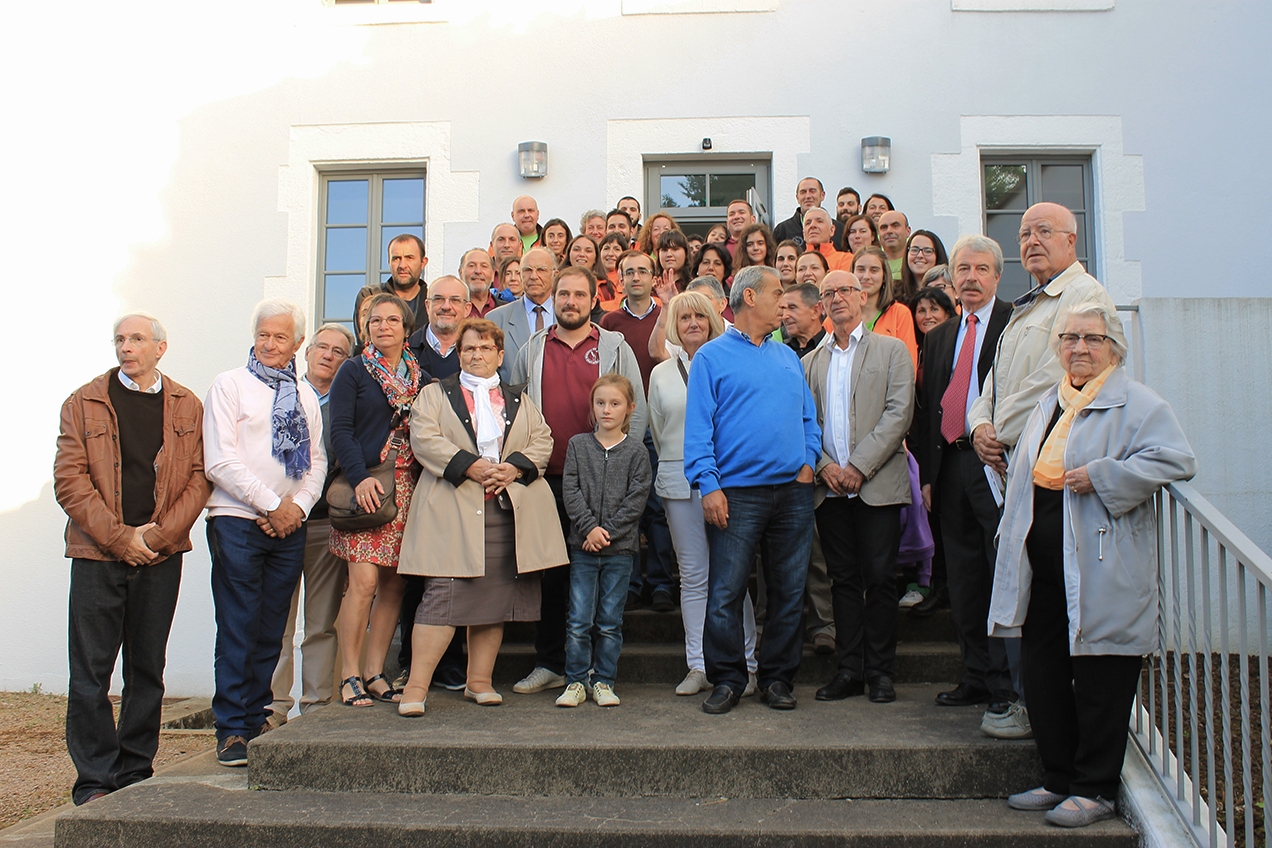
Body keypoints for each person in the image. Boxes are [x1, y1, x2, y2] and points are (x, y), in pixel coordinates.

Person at [993, 302, 1196, 827]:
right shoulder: (1051, 401)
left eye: (1092, 339)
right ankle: (1059, 777)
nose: (1079, 348)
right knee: (1045, 674)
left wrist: (1104, 475)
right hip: (1046, 566)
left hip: (1102, 560)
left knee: (1103, 672)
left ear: (1114, 349)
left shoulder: (1138, 404)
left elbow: (1176, 459)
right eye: (1070, 338)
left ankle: (1096, 787)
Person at [55, 313, 211, 804]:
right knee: (90, 675)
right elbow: (70, 480)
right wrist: (122, 539)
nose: (127, 347)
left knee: (147, 669)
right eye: (120, 339)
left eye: (137, 339)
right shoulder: (82, 402)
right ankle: (95, 780)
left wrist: (160, 537)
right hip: (98, 556)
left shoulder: (188, 406)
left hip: (161, 558)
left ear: (160, 348)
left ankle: (135, 773)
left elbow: (201, 477)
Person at [395, 318, 568, 715]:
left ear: (500, 355)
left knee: (494, 598)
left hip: (505, 510)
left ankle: (480, 682)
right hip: (452, 508)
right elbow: (424, 439)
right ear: (459, 354)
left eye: (485, 348)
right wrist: (471, 466)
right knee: (442, 598)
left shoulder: (519, 399)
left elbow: (543, 438)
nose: (477, 354)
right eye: (469, 348)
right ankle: (415, 689)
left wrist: (514, 468)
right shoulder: (434, 395)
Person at [684, 266, 820, 714]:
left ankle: (778, 678)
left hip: (792, 494)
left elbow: (808, 420)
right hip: (736, 494)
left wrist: (807, 463)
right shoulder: (710, 357)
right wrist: (708, 485)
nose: (783, 302)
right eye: (776, 293)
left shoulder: (787, 358)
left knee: (788, 591)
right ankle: (727, 679)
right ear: (747, 298)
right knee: (725, 592)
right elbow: (698, 429)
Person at [508, 265, 648, 695]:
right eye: (562, 294)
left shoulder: (614, 345)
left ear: (593, 300)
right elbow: (515, 408)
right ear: (554, 299)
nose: (570, 301)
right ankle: (551, 663)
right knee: (552, 576)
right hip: (548, 478)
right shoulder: (533, 347)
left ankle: (599, 672)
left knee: (601, 577)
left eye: (579, 295)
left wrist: (625, 463)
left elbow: (636, 407)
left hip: (604, 480)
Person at [204, 298, 326, 766]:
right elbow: (220, 460)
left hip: (289, 525)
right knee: (238, 622)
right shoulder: (229, 385)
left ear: (297, 343)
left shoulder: (306, 394)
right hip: (236, 520)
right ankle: (231, 728)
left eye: (280, 337)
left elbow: (317, 462)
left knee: (272, 627)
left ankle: (256, 716)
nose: (270, 344)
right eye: (263, 335)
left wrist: (296, 508)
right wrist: (274, 505)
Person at [911, 236, 1017, 731]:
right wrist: (929, 478)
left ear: (997, 275)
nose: (970, 278)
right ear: (951, 279)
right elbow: (930, 408)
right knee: (964, 578)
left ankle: (1007, 685)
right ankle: (975, 674)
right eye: (962, 269)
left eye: (980, 269)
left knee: (1001, 574)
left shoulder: (1016, 325)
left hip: (994, 463)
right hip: (950, 467)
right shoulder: (938, 336)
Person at [803, 271, 914, 704]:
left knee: (882, 578)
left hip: (877, 485)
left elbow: (898, 414)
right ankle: (849, 669)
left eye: (844, 291)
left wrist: (859, 466)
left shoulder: (892, 351)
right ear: (821, 306)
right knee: (843, 581)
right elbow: (804, 422)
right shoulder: (809, 362)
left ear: (862, 296)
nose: (836, 299)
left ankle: (881, 672)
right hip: (830, 489)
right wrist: (829, 466)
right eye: (827, 294)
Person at [648, 292, 760, 696]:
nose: (692, 323)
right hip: (679, 482)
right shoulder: (661, 373)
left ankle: (746, 663)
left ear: (714, 319)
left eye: (700, 316)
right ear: (674, 327)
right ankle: (698, 664)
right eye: (683, 318)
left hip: (728, 482)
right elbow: (658, 433)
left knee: (730, 576)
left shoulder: (732, 361)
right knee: (694, 576)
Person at [327, 293, 429, 707]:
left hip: (409, 487)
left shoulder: (419, 377)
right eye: (374, 320)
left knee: (394, 584)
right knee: (363, 583)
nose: (382, 326)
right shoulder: (352, 370)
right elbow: (341, 432)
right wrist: (359, 478)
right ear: (365, 327)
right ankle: (349, 674)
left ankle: (374, 672)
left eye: (391, 320)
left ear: (407, 329)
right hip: (368, 486)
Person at [267, 323, 354, 727]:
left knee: (320, 622)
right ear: (306, 352)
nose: (329, 355)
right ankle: (273, 707)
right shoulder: (279, 393)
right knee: (277, 621)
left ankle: (317, 706)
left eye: (339, 351)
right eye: (322, 347)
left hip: (322, 523)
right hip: (277, 520)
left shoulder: (348, 403)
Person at [557, 375, 653, 707]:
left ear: (630, 408)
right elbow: (570, 492)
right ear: (592, 406)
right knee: (580, 618)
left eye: (614, 403)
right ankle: (575, 681)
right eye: (600, 403)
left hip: (620, 550)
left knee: (610, 620)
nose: (606, 410)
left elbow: (636, 500)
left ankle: (604, 681)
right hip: (583, 548)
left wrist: (606, 533)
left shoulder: (637, 452)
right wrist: (588, 529)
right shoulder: (578, 446)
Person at [601, 250, 677, 613]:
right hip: (623, 425)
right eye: (628, 272)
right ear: (620, 279)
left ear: (653, 277)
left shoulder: (670, 314)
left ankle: (662, 583)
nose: (635, 277)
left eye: (642, 271)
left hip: (662, 423)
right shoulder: (609, 322)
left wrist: (669, 305)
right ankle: (629, 584)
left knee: (659, 507)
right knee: (623, 506)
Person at [489, 246, 556, 378]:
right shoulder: (496, 319)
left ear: (555, 275)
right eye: (527, 270)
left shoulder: (569, 317)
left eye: (541, 270)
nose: (534, 276)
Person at [352, 234, 429, 349]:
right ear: (389, 262)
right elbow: (365, 341)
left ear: (423, 262)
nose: (402, 265)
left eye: (409, 258)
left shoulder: (432, 301)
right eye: (396, 258)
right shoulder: (371, 295)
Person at [852, 246, 917, 371]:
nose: (866, 276)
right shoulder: (840, 316)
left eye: (874, 270)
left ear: (884, 276)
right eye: (861, 269)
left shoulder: (900, 314)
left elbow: (908, 369)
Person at [773, 177, 844, 249]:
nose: (808, 196)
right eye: (803, 192)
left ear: (822, 195)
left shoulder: (840, 229)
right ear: (797, 198)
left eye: (812, 191)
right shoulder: (782, 230)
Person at [899, 230, 949, 304]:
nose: (920, 255)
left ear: (937, 256)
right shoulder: (894, 293)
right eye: (914, 250)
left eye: (928, 251)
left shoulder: (948, 291)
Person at [781, 282, 825, 357]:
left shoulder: (834, 349)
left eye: (792, 308)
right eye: (783, 309)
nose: (784, 316)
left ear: (815, 311)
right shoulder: (782, 353)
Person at [802, 207, 853, 272]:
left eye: (819, 221)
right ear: (804, 234)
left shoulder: (845, 259)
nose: (812, 225)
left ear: (832, 230)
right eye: (808, 223)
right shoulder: (795, 261)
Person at [459, 248, 499, 318]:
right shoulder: (453, 310)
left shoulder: (508, 311)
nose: (478, 271)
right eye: (471, 265)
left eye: (484, 266)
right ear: (461, 273)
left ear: (493, 274)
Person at [655, 230, 694, 295]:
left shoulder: (695, 287)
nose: (669, 254)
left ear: (686, 253)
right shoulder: (652, 287)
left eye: (675, 249)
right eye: (664, 250)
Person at [877, 211, 911, 283]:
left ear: (908, 231)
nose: (889, 231)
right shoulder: (874, 263)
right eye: (884, 227)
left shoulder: (915, 261)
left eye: (895, 226)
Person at [599, 232, 629, 297]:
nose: (610, 254)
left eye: (617, 249)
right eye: (606, 248)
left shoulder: (629, 281)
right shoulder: (591, 281)